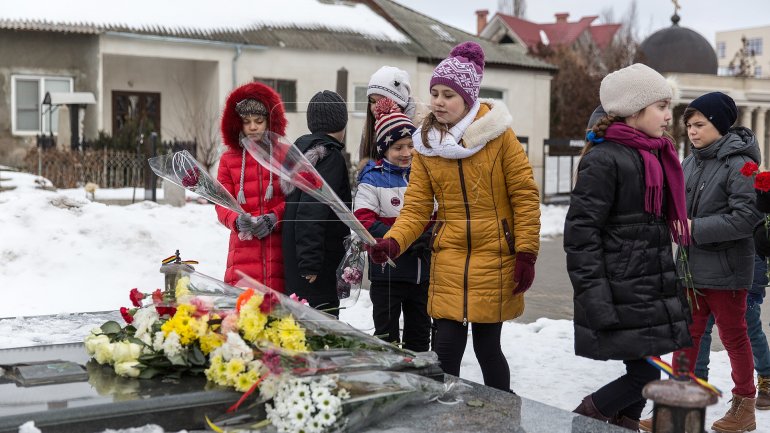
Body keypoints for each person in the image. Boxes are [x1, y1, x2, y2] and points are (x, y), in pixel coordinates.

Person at [366, 41, 541, 392]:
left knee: (488, 349)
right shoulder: (427, 146)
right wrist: (393, 241)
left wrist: (526, 252)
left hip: (496, 259)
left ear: (468, 99)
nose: (439, 101)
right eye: (435, 93)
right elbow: (416, 207)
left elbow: (524, 196)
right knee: (445, 352)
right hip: (449, 260)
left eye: (448, 94)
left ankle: (504, 418)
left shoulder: (499, 137)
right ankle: (443, 420)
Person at [564, 63, 692, 431]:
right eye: (661, 106)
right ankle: (582, 419)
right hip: (620, 291)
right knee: (646, 376)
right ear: (634, 111)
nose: (669, 116)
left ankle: (624, 423)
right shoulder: (605, 159)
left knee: (646, 375)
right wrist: (596, 299)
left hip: (649, 289)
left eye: (669, 106)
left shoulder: (655, 154)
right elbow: (581, 235)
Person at [644, 91, 763, 433]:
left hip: (726, 270)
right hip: (691, 270)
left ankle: (745, 407)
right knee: (687, 337)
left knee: (735, 337)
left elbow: (745, 218)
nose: (692, 132)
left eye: (700, 124)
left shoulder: (743, 164)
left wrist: (693, 229)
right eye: (689, 126)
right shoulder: (691, 160)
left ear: (720, 124)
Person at [353, 97, 432, 352]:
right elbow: (363, 221)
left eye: (410, 145)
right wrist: (402, 240)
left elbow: (436, 215)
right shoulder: (373, 178)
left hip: (420, 275)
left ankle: (420, 382)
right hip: (388, 273)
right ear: (384, 149)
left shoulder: (423, 176)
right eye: (398, 147)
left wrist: (427, 237)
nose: (406, 153)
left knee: (419, 338)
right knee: (386, 338)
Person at [282, 90, 351, 317]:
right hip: (317, 266)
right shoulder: (329, 157)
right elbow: (313, 208)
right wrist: (310, 263)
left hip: (298, 257)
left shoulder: (301, 154)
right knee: (322, 330)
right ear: (342, 124)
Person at [216, 82, 288, 290]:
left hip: (278, 253)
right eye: (247, 122)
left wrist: (275, 217)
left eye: (259, 120)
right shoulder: (229, 159)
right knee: (244, 315)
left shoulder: (283, 155)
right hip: (242, 252)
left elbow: (295, 199)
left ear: (269, 121)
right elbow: (221, 203)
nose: (253, 127)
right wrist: (236, 220)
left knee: (278, 317)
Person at [694, 252, 770, 411]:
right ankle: (698, 383)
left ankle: (766, 379)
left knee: (751, 331)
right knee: (701, 332)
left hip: (740, 284)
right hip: (705, 281)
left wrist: (754, 288)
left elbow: (756, 250)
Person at [359, 66, 416, 162]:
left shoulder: (421, 130)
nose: (376, 108)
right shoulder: (368, 131)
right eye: (372, 101)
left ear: (400, 103)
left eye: (382, 102)